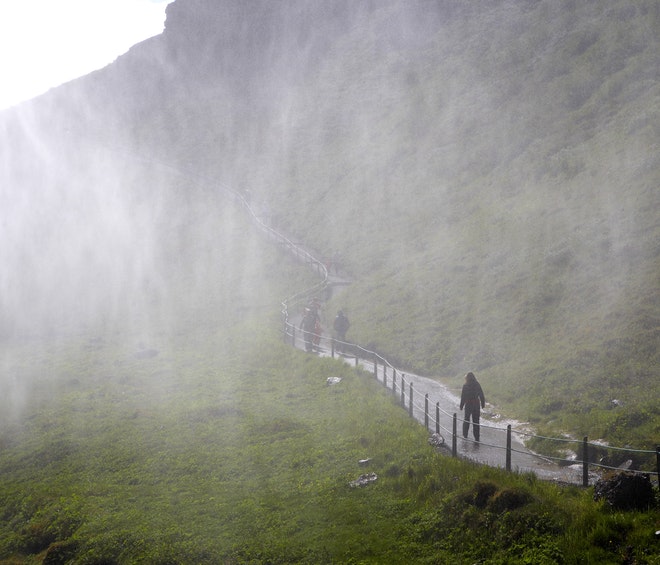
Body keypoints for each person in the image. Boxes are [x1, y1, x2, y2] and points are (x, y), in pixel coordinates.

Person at [460, 372, 486, 442]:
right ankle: (477, 438)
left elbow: (463, 397)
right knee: (476, 422)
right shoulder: (477, 384)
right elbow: (481, 395)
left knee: (466, 420)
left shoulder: (465, 385)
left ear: (467, 378)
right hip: (476, 405)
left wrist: (461, 406)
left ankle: (465, 436)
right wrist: (483, 404)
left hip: (468, 404)